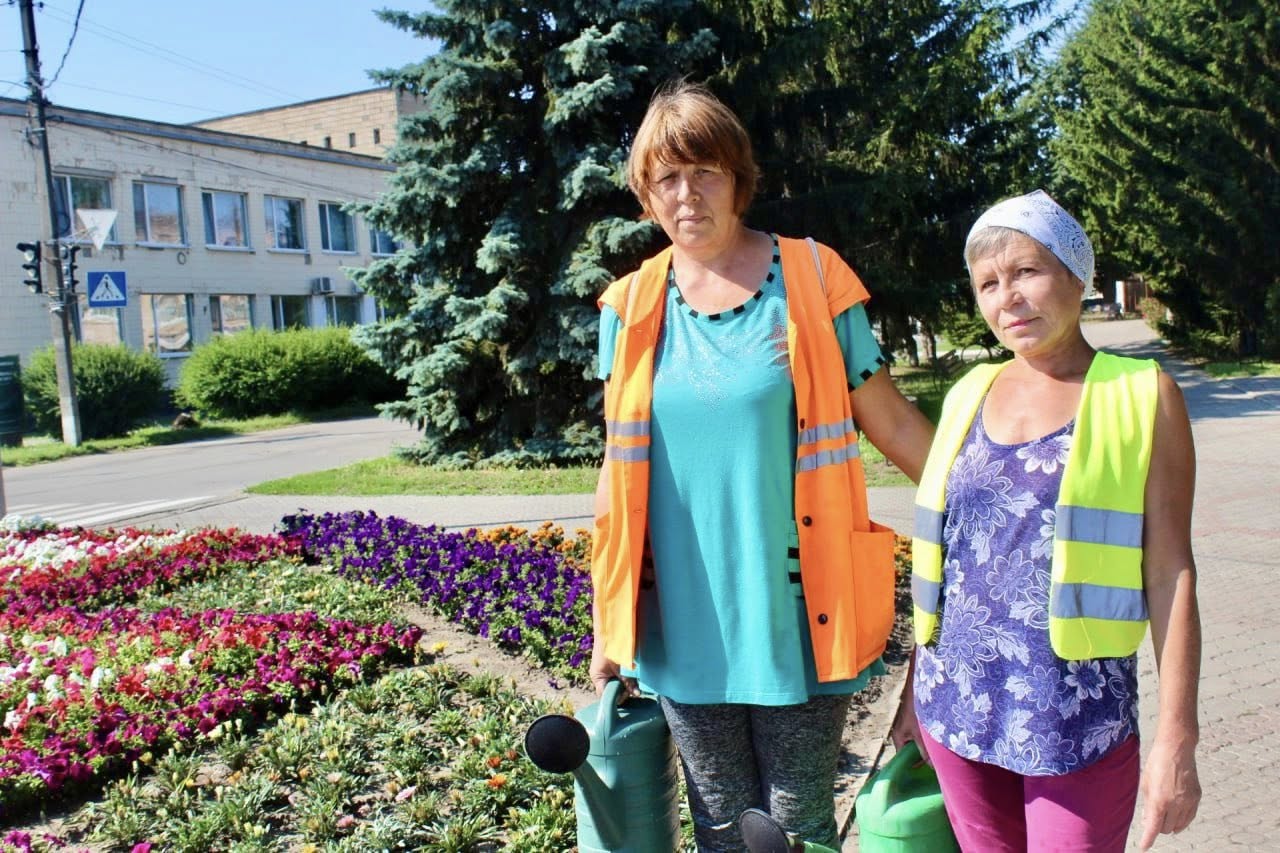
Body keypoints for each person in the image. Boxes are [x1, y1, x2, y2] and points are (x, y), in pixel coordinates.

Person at [589, 80, 934, 850]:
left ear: (738, 177)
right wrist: (609, 620)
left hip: (799, 614)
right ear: (646, 194)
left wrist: (985, 489)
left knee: (795, 828)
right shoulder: (628, 308)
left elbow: (890, 420)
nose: (687, 194)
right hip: (683, 621)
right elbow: (617, 471)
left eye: (704, 171)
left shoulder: (813, 277)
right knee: (718, 827)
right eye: (667, 178)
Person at [892, 190, 1201, 852]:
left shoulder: (1142, 396)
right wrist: (913, 691)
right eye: (988, 283)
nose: (1009, 297)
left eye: (1027, 271)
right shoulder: (967, 394)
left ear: (1076, 274)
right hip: (956, 710)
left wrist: (1178, 737)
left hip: (1077, 722)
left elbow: (1171, 573)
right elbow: (948, 559)